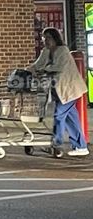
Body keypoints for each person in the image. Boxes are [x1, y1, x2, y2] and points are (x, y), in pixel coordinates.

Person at [29, 27, 89, 156]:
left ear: (55, 38)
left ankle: (56, 144)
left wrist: (43, 70)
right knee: (71, 119)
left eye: (48, 38)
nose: (45, 41)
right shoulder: (45, 51)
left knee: (59, 115)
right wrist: (29, 70)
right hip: (58, 91)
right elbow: (37, 64)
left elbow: (58, 66)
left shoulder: (63, 50)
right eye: (44, 38)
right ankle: (81, 146)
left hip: (70, 90)